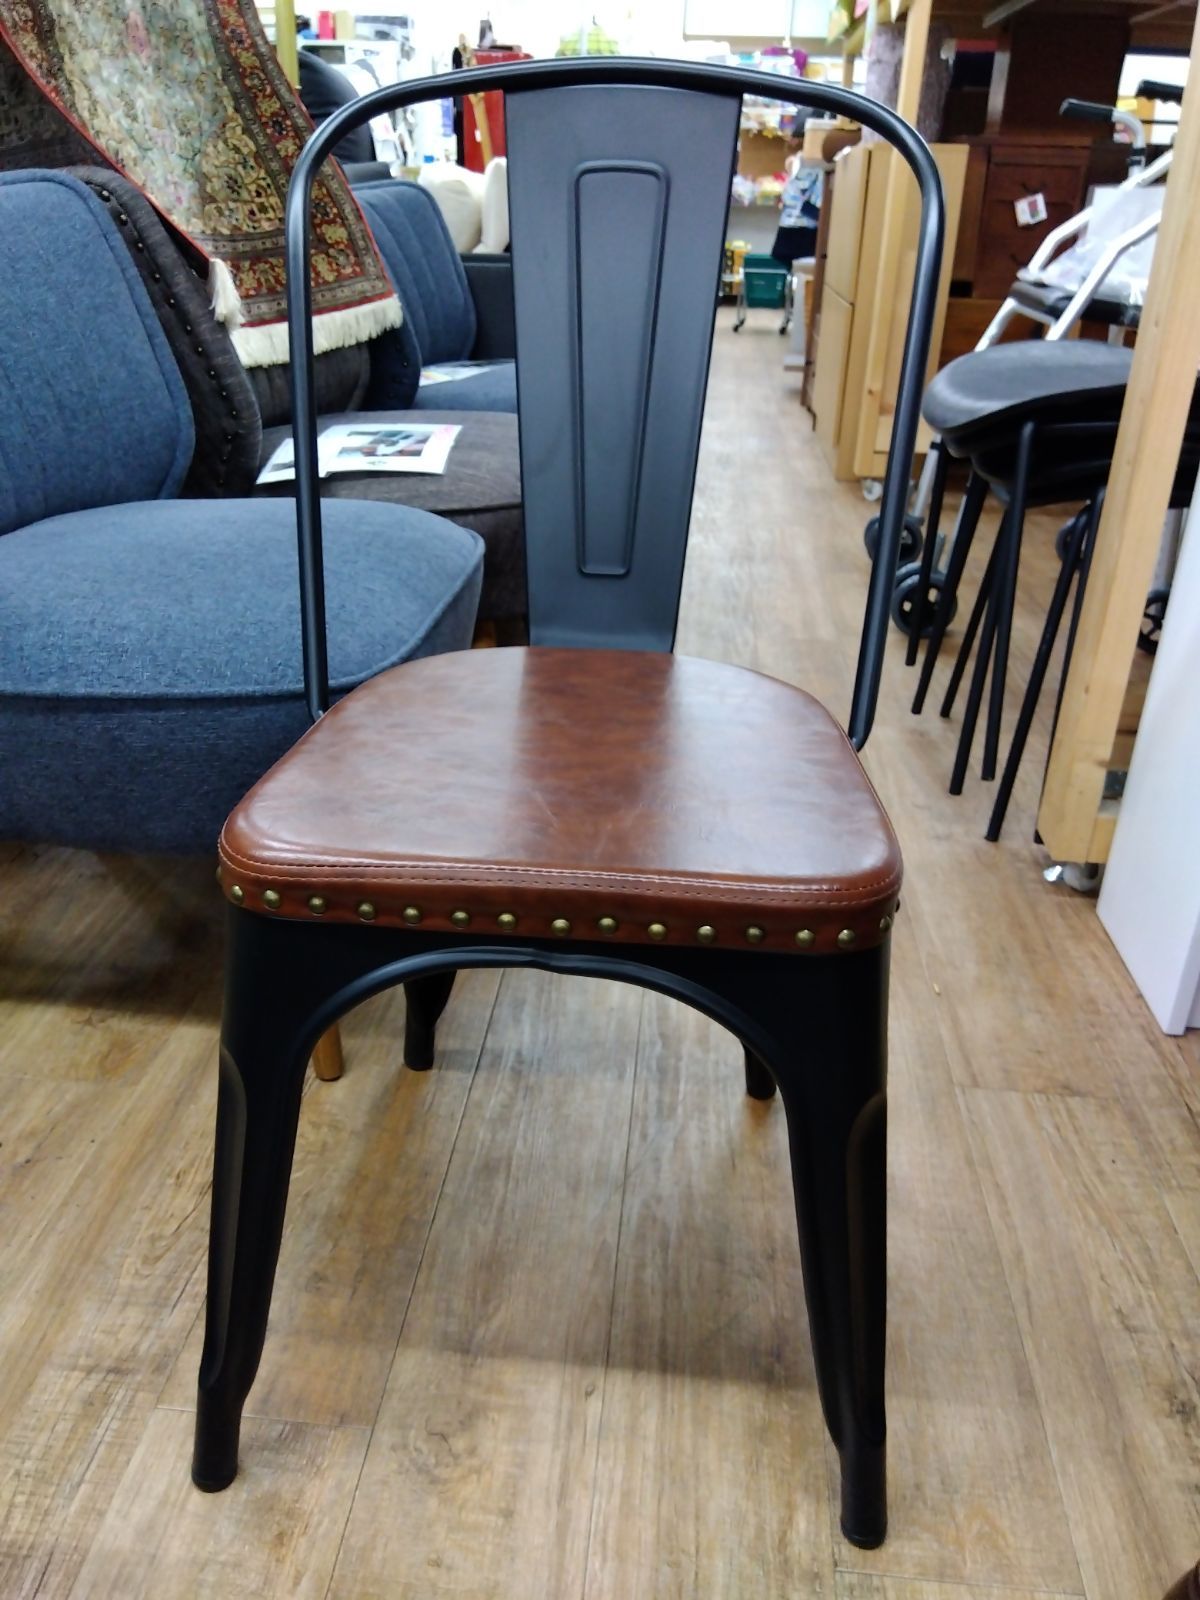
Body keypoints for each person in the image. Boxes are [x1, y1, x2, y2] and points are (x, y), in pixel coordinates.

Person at [771, 149, 822, 267]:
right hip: (804, 233)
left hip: (790, 231)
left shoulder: (802, 165)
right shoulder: (814, 167)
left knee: (795, 269)